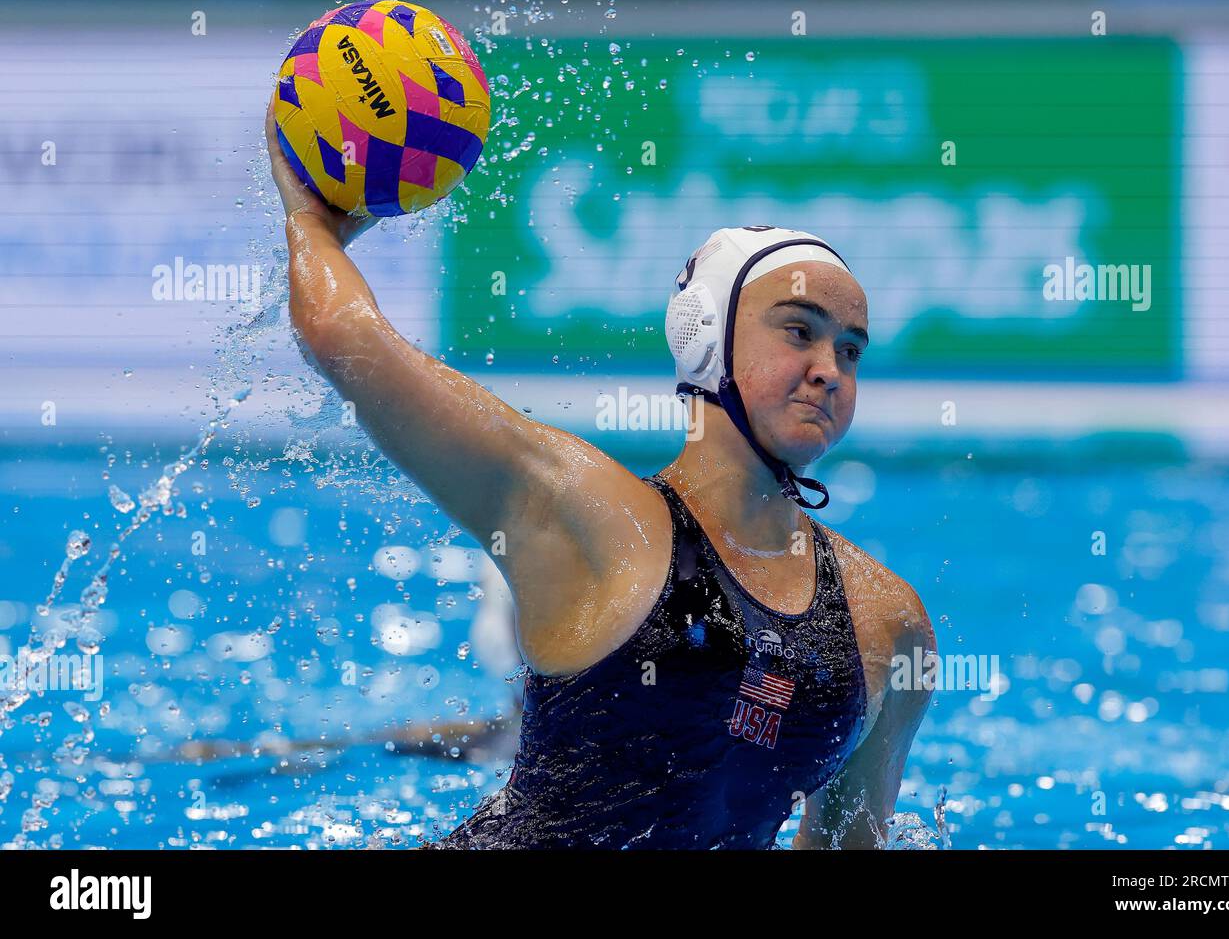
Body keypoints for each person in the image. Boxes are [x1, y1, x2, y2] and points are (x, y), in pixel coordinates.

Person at [266, 106, 937, 849]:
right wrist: (308, 216)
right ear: (705, 340)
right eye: (799, 331)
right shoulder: (588, 515)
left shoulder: (886, 624)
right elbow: (347, 339)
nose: (828, 369)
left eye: (851, 350)